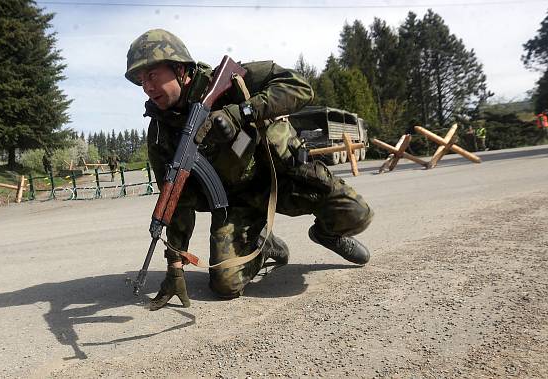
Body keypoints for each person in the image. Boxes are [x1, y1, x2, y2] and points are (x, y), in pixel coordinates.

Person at [125, 29, 374, 310]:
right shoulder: (161, 131)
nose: (146, 86)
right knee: (225, 284)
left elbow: (300, 87)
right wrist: (175, 265)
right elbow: (175, 198)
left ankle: (326, 234)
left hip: (283, 178)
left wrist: (241, 112)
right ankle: (263, 245)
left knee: (357, 213)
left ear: (180, 69)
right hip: (236, 203)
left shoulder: (228, 80)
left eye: (152, 75)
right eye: (141, 80)